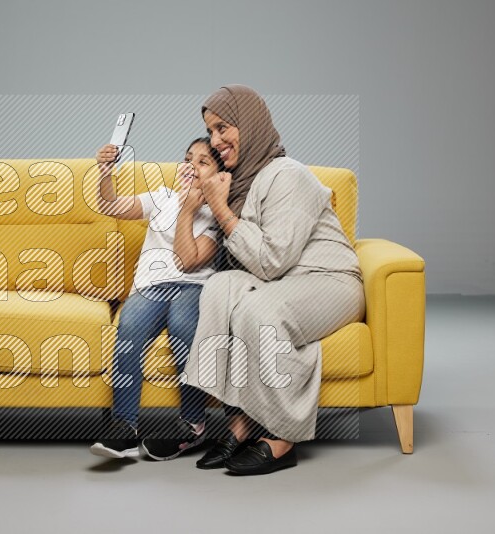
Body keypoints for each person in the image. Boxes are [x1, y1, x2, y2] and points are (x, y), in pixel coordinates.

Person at [184, 85, 365, 475]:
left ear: (249, 124)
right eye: (210, 132)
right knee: (218, 289)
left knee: (259, 310)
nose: (216, 141)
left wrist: (219, 209)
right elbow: (240, 264)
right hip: (285, 282)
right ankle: (242, 421)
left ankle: (284, 437)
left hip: (328, 280)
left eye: (223, 128)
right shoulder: (239, 180)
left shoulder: (288, 175)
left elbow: (270, 262)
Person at [89, 137, 224, 460]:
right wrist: (105, 172)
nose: (191, 165)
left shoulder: (219, 215)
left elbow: (188, 261)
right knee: (130, 328)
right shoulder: (162, 197)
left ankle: (193, 424)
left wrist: (189, 210)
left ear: (219, 175)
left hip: (193, 287)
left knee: (183, 326)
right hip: (150, 287)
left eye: (203, 162)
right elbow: (109, 205)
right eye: (188, 158)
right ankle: (124, 427)